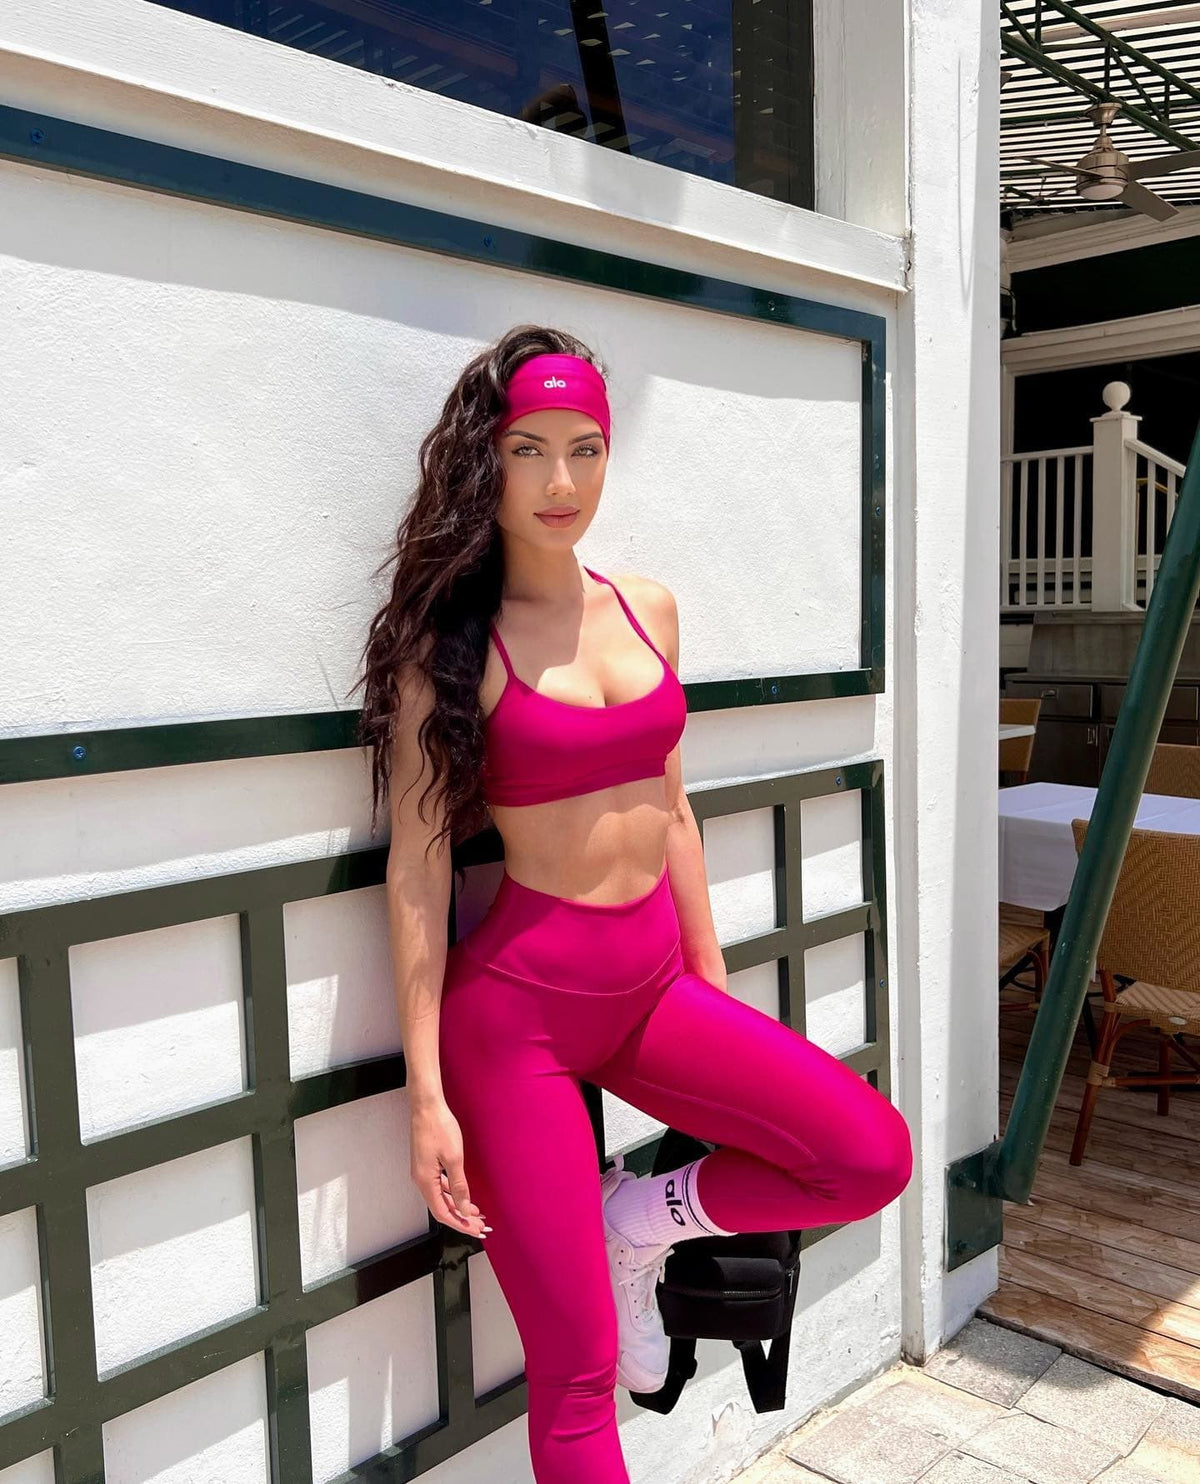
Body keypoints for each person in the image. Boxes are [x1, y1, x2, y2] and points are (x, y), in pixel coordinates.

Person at [353, 325, 912, 1484]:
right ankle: (615, 1242)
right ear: (486, 462)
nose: (562, 482)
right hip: (519, 1022)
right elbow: (415, 870)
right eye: (530, 450)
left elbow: (673, 806)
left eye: (587, 448)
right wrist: (427, 1095)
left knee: (870, 1154)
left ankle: (640, 1217)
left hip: (655, 987)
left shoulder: (649, 606)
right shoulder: (449, 645)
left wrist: (711, 986)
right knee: (574, 1371)